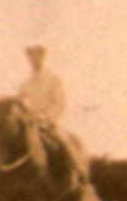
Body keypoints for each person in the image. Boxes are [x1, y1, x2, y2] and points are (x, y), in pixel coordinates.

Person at [18, 45, 86, 183]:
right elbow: (20, 103)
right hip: (31, 122)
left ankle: (77, 174)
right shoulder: (26, 83)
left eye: (37, 58)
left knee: (62, 143)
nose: (34, 62)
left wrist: (47, 116)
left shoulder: (53, 79)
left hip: (50, 121)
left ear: (43, 58)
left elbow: (60, 103)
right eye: (31, 59)